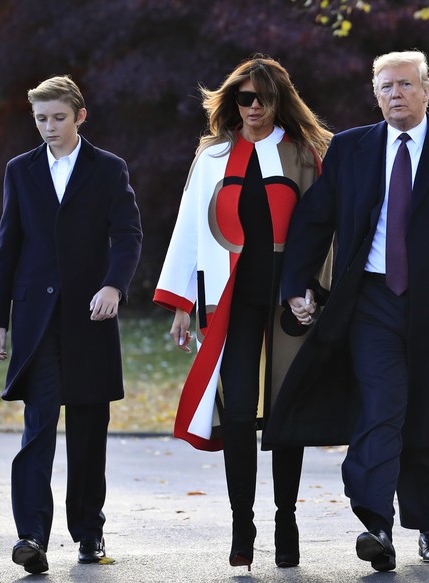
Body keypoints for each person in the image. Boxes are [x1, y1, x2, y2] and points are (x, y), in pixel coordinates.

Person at [276, 50, 429, 572]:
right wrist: (297, 284)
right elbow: (314, 221)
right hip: (372, 301)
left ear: (427, 89)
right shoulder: (352, 149)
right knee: (380, 407)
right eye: (385, 87)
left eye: (404, 84)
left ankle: (428, 526)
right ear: (374, 94)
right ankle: (376, 522)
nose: (395, 94)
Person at [154, 55, 332, 571]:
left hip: (289, 296)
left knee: (285, 409)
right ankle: (242, 524)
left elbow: (324, 228)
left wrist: (314, 291)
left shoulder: (304, 154)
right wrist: (181, 302)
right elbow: (189, 226)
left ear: (280, 101)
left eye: (262, 98)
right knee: (237, 413)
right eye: (243, 98)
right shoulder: (211, 157)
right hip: (229, 297)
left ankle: (285, 520)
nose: (252, 108)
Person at [0, 75, 142, 574]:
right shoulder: (20, 170)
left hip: (91, 319)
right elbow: (8, 247)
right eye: (40, 119)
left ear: (79, 116)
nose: (48, 128)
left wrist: (114, 285)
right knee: (38, 432)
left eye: (57, 118)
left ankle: (88, 533)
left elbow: (128, 234)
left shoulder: (107, 169)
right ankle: (31, 536)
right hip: (35, 322)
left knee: (90, 433)